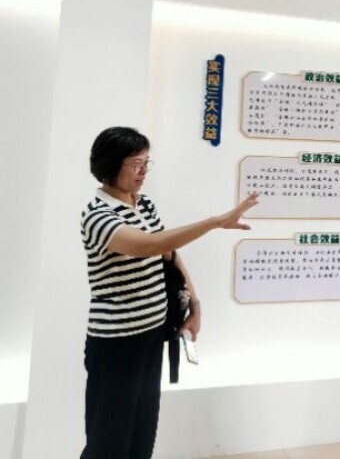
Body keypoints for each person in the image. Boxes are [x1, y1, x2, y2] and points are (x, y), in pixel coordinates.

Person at [80, 127, 258, 459]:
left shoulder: (143, 203)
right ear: (110, 164)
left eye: (147, 163)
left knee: (142, 432)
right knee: (108, 441)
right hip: (116, 342)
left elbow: (169, 255)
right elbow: (151, 245)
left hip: (151, 334)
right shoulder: (97, 215)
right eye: (136, 164)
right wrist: (214, 222)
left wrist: (194, 305)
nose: (143, 172)